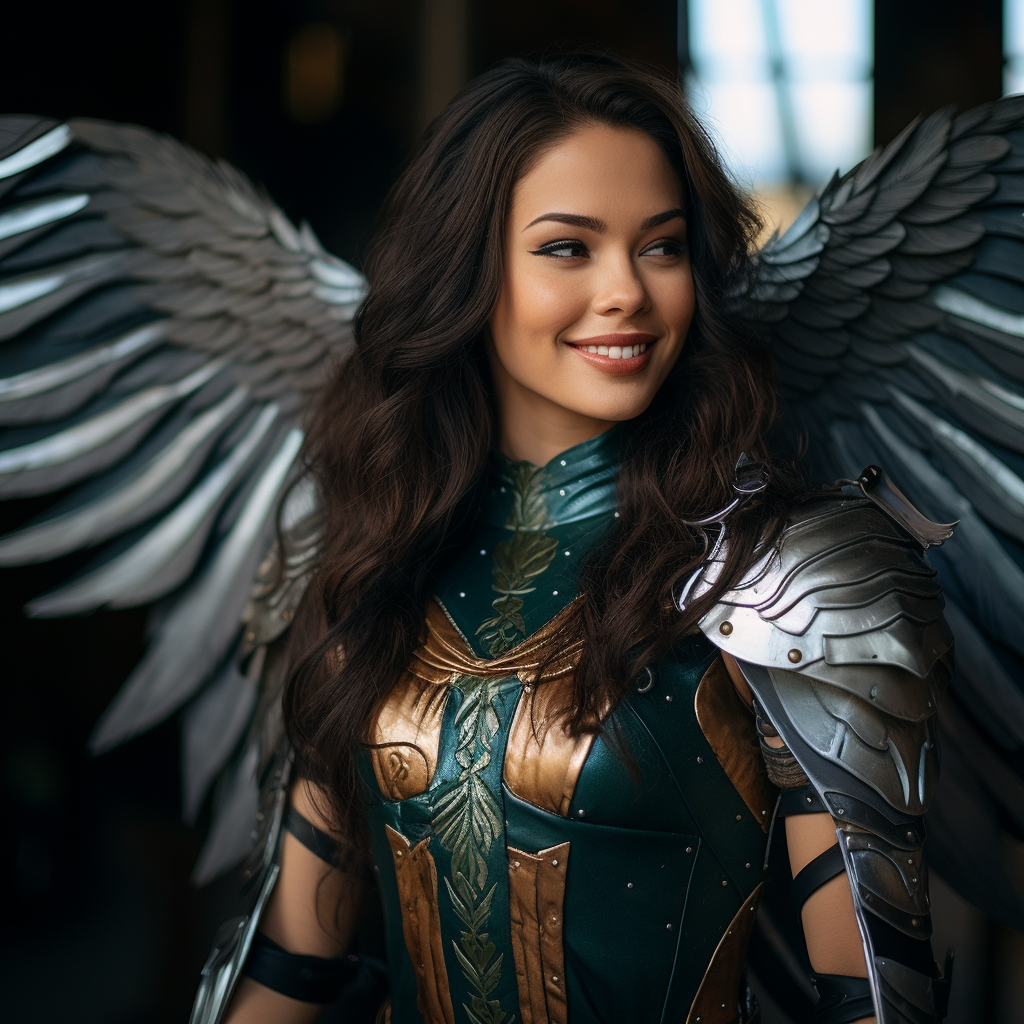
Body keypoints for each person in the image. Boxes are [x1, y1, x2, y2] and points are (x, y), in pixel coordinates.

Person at [210, 53, 950, 1024]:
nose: (627, 294)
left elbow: (873, 1000)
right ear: (468, 271)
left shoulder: (784, 577)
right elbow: (289, 966)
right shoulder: (367, 560)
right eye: (568, 247)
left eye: (661, 246)